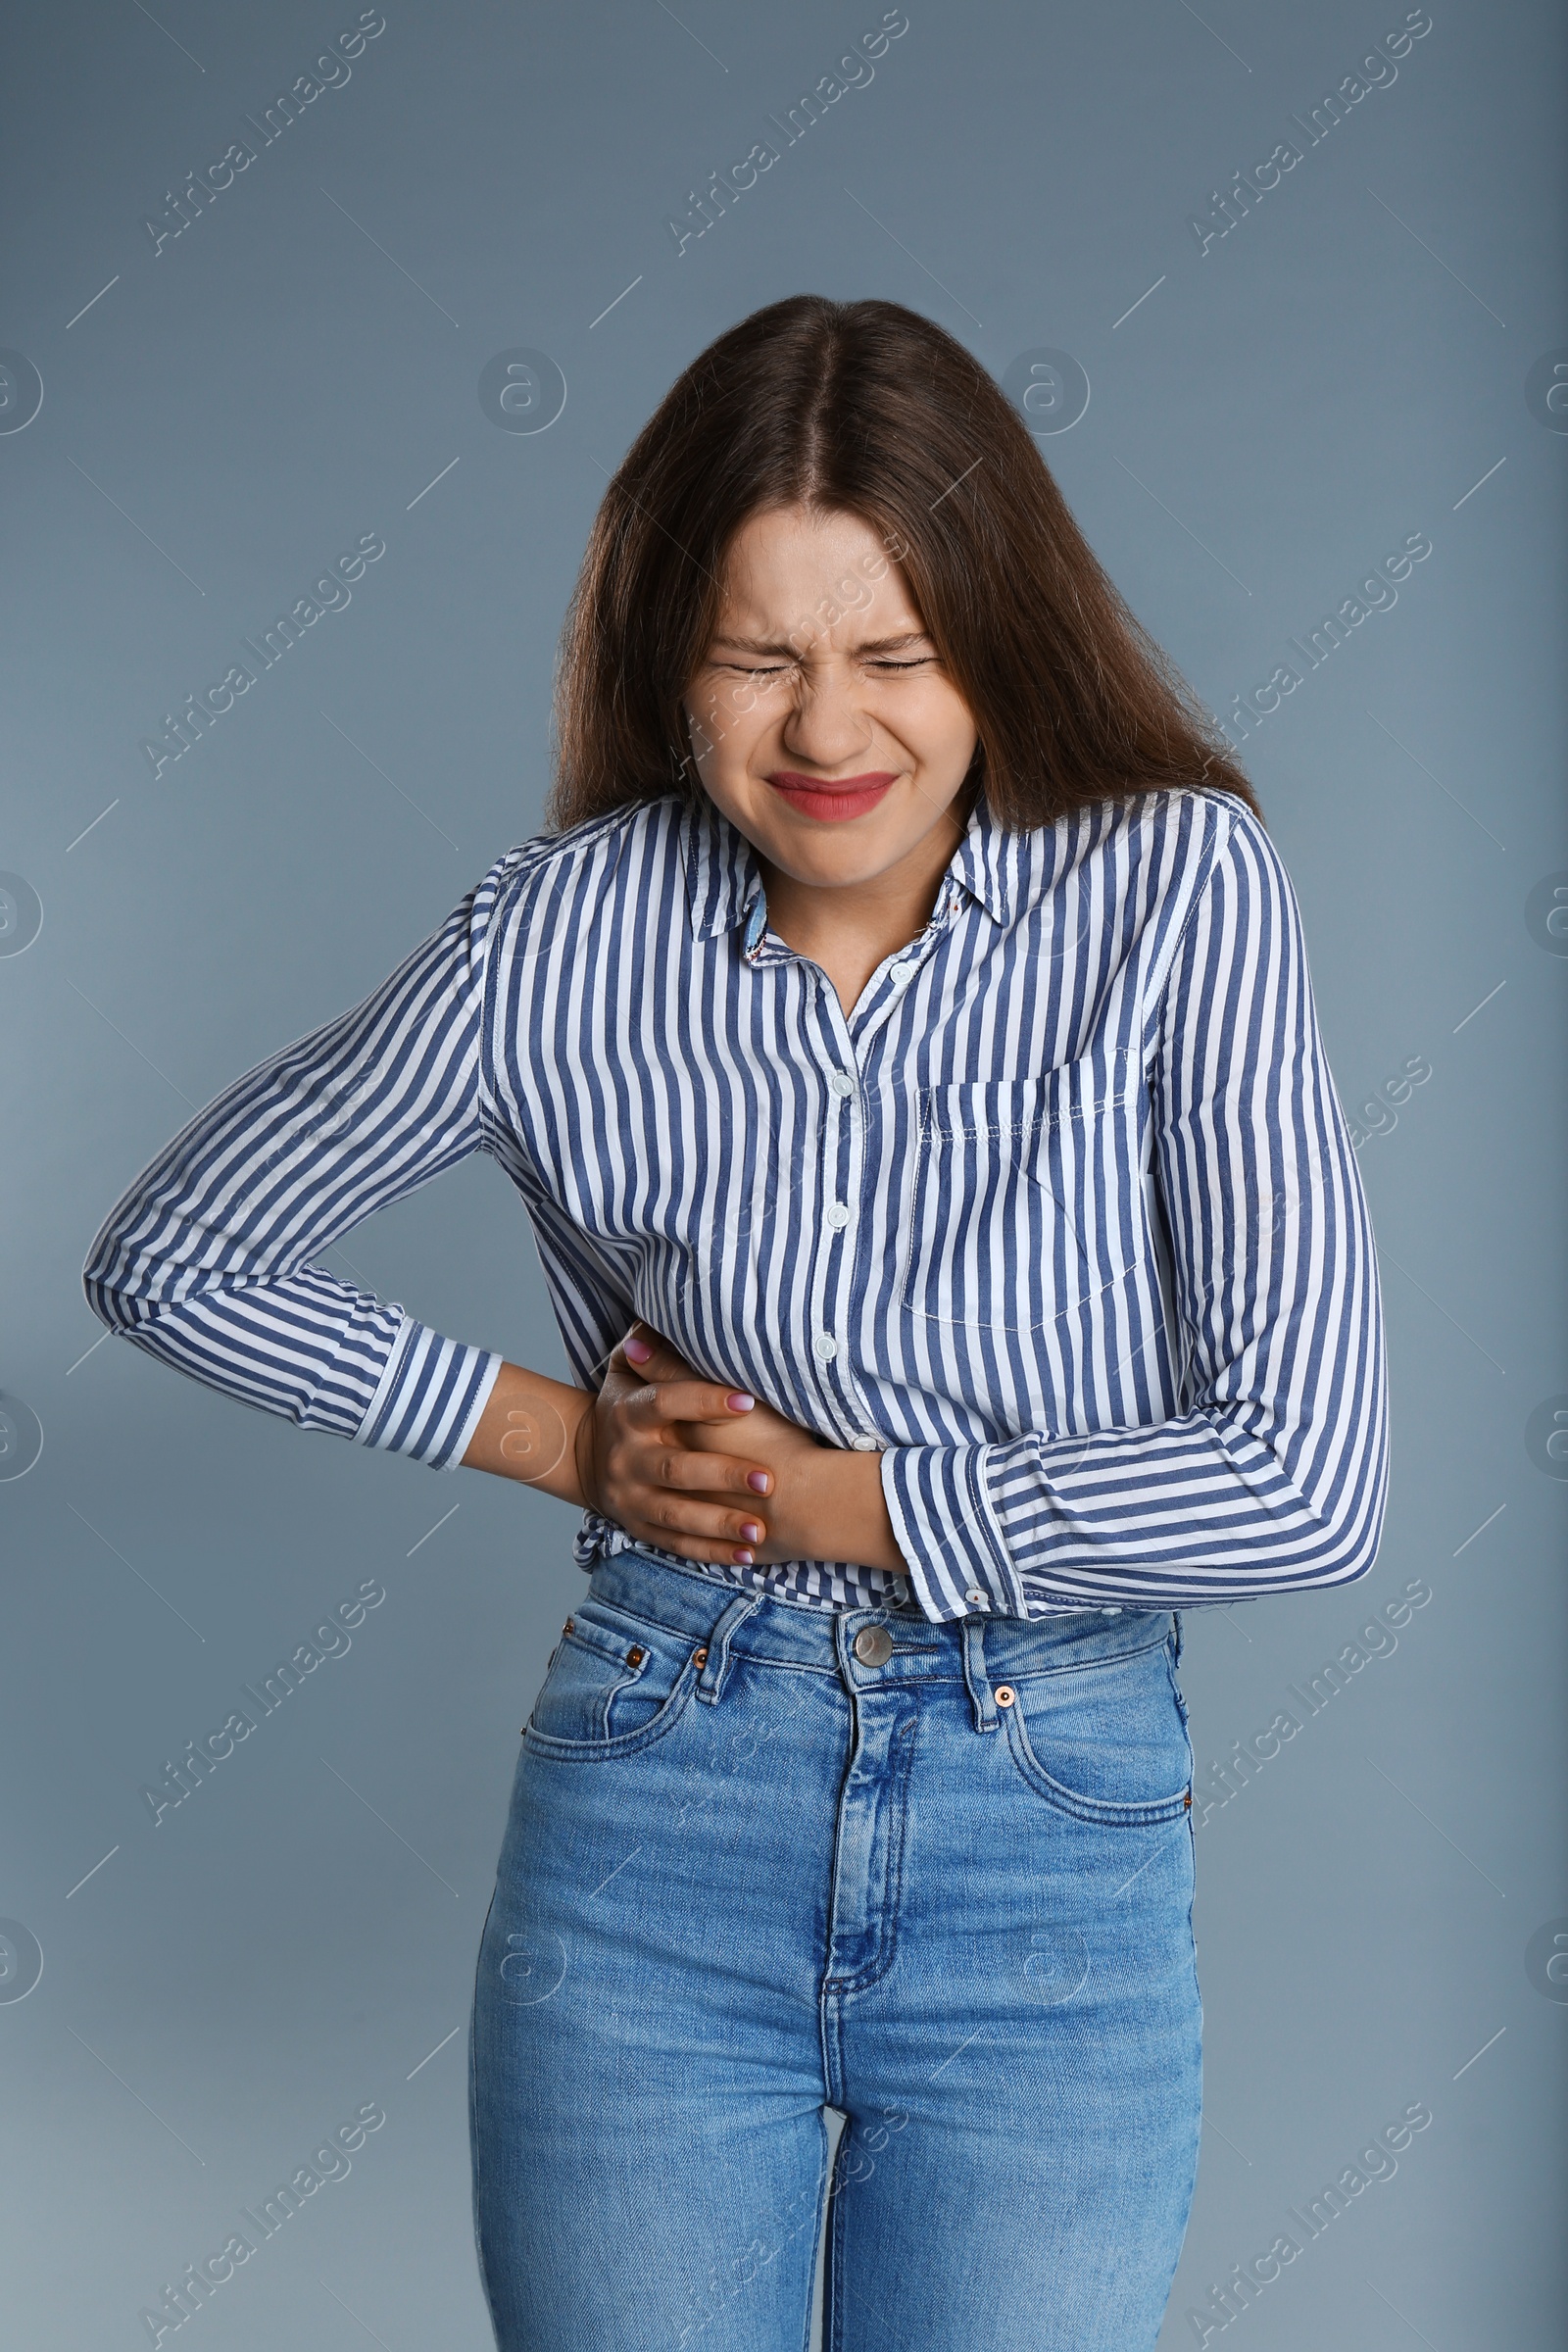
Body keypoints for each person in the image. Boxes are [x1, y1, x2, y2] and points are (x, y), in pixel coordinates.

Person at [82, 295, 1388, 2351]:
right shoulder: (561, 935)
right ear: (663, 659)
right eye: (757, 656)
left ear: (995, 640)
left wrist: (857, 1501)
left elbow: (1306, 1485)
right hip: (659, 1800)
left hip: (1048, 1829)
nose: (826, 730)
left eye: (892, 653)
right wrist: (557, 1441)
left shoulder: (1174, 891)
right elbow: (177, 1254)